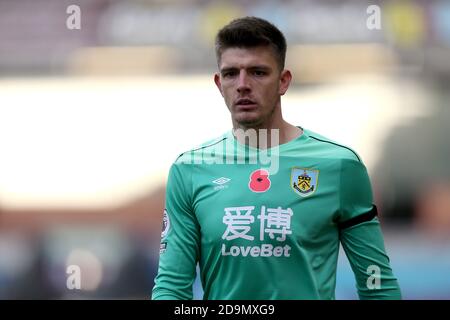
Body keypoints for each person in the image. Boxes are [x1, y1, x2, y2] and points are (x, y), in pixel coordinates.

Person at [152, 16, 401, 300]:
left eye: (258, 72)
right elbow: (172, 286)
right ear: (219, 84)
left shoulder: (339, 165)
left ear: (283, 81)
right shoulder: (190, 169)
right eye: (232, 73)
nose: (243, 85)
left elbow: (377, 283)